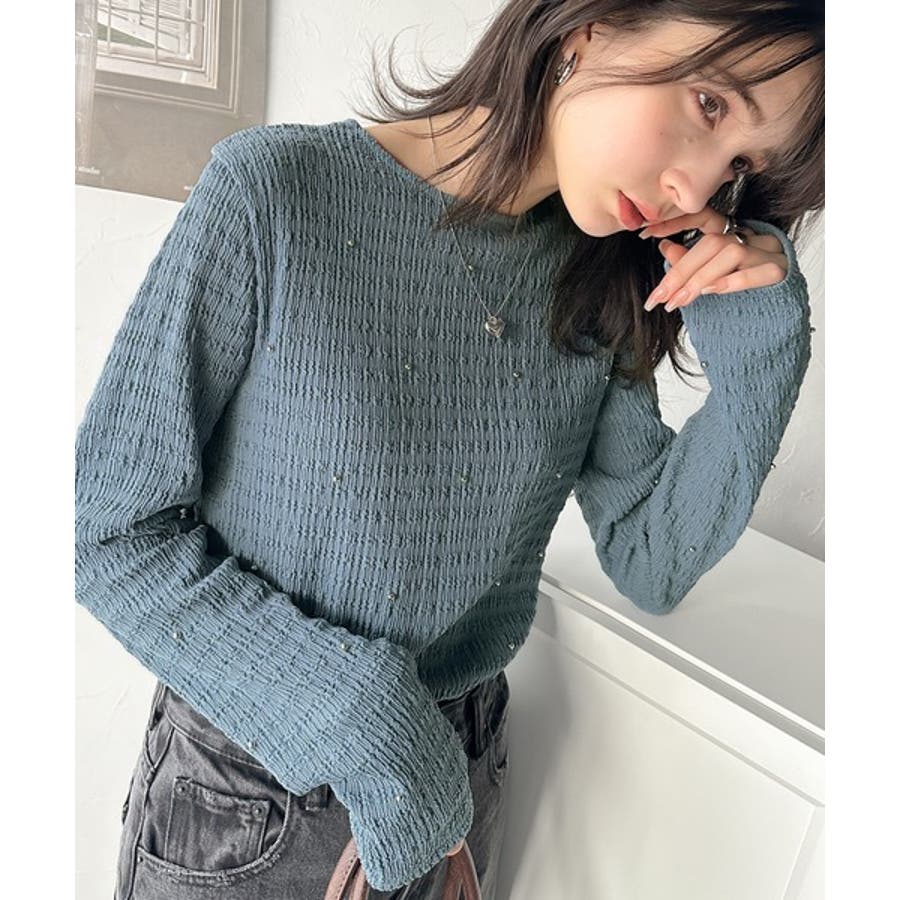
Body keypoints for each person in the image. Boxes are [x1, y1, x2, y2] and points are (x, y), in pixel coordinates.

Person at [74, 1, 823, 898]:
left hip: (458, 784)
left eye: (739, 166)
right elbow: (108, 530)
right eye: (710, 104)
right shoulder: (276, 192)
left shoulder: (598, 289)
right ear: (590, 28)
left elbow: (652, 558)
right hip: (246, 799)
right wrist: (371, 726)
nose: (693, 189)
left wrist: (764, 343)